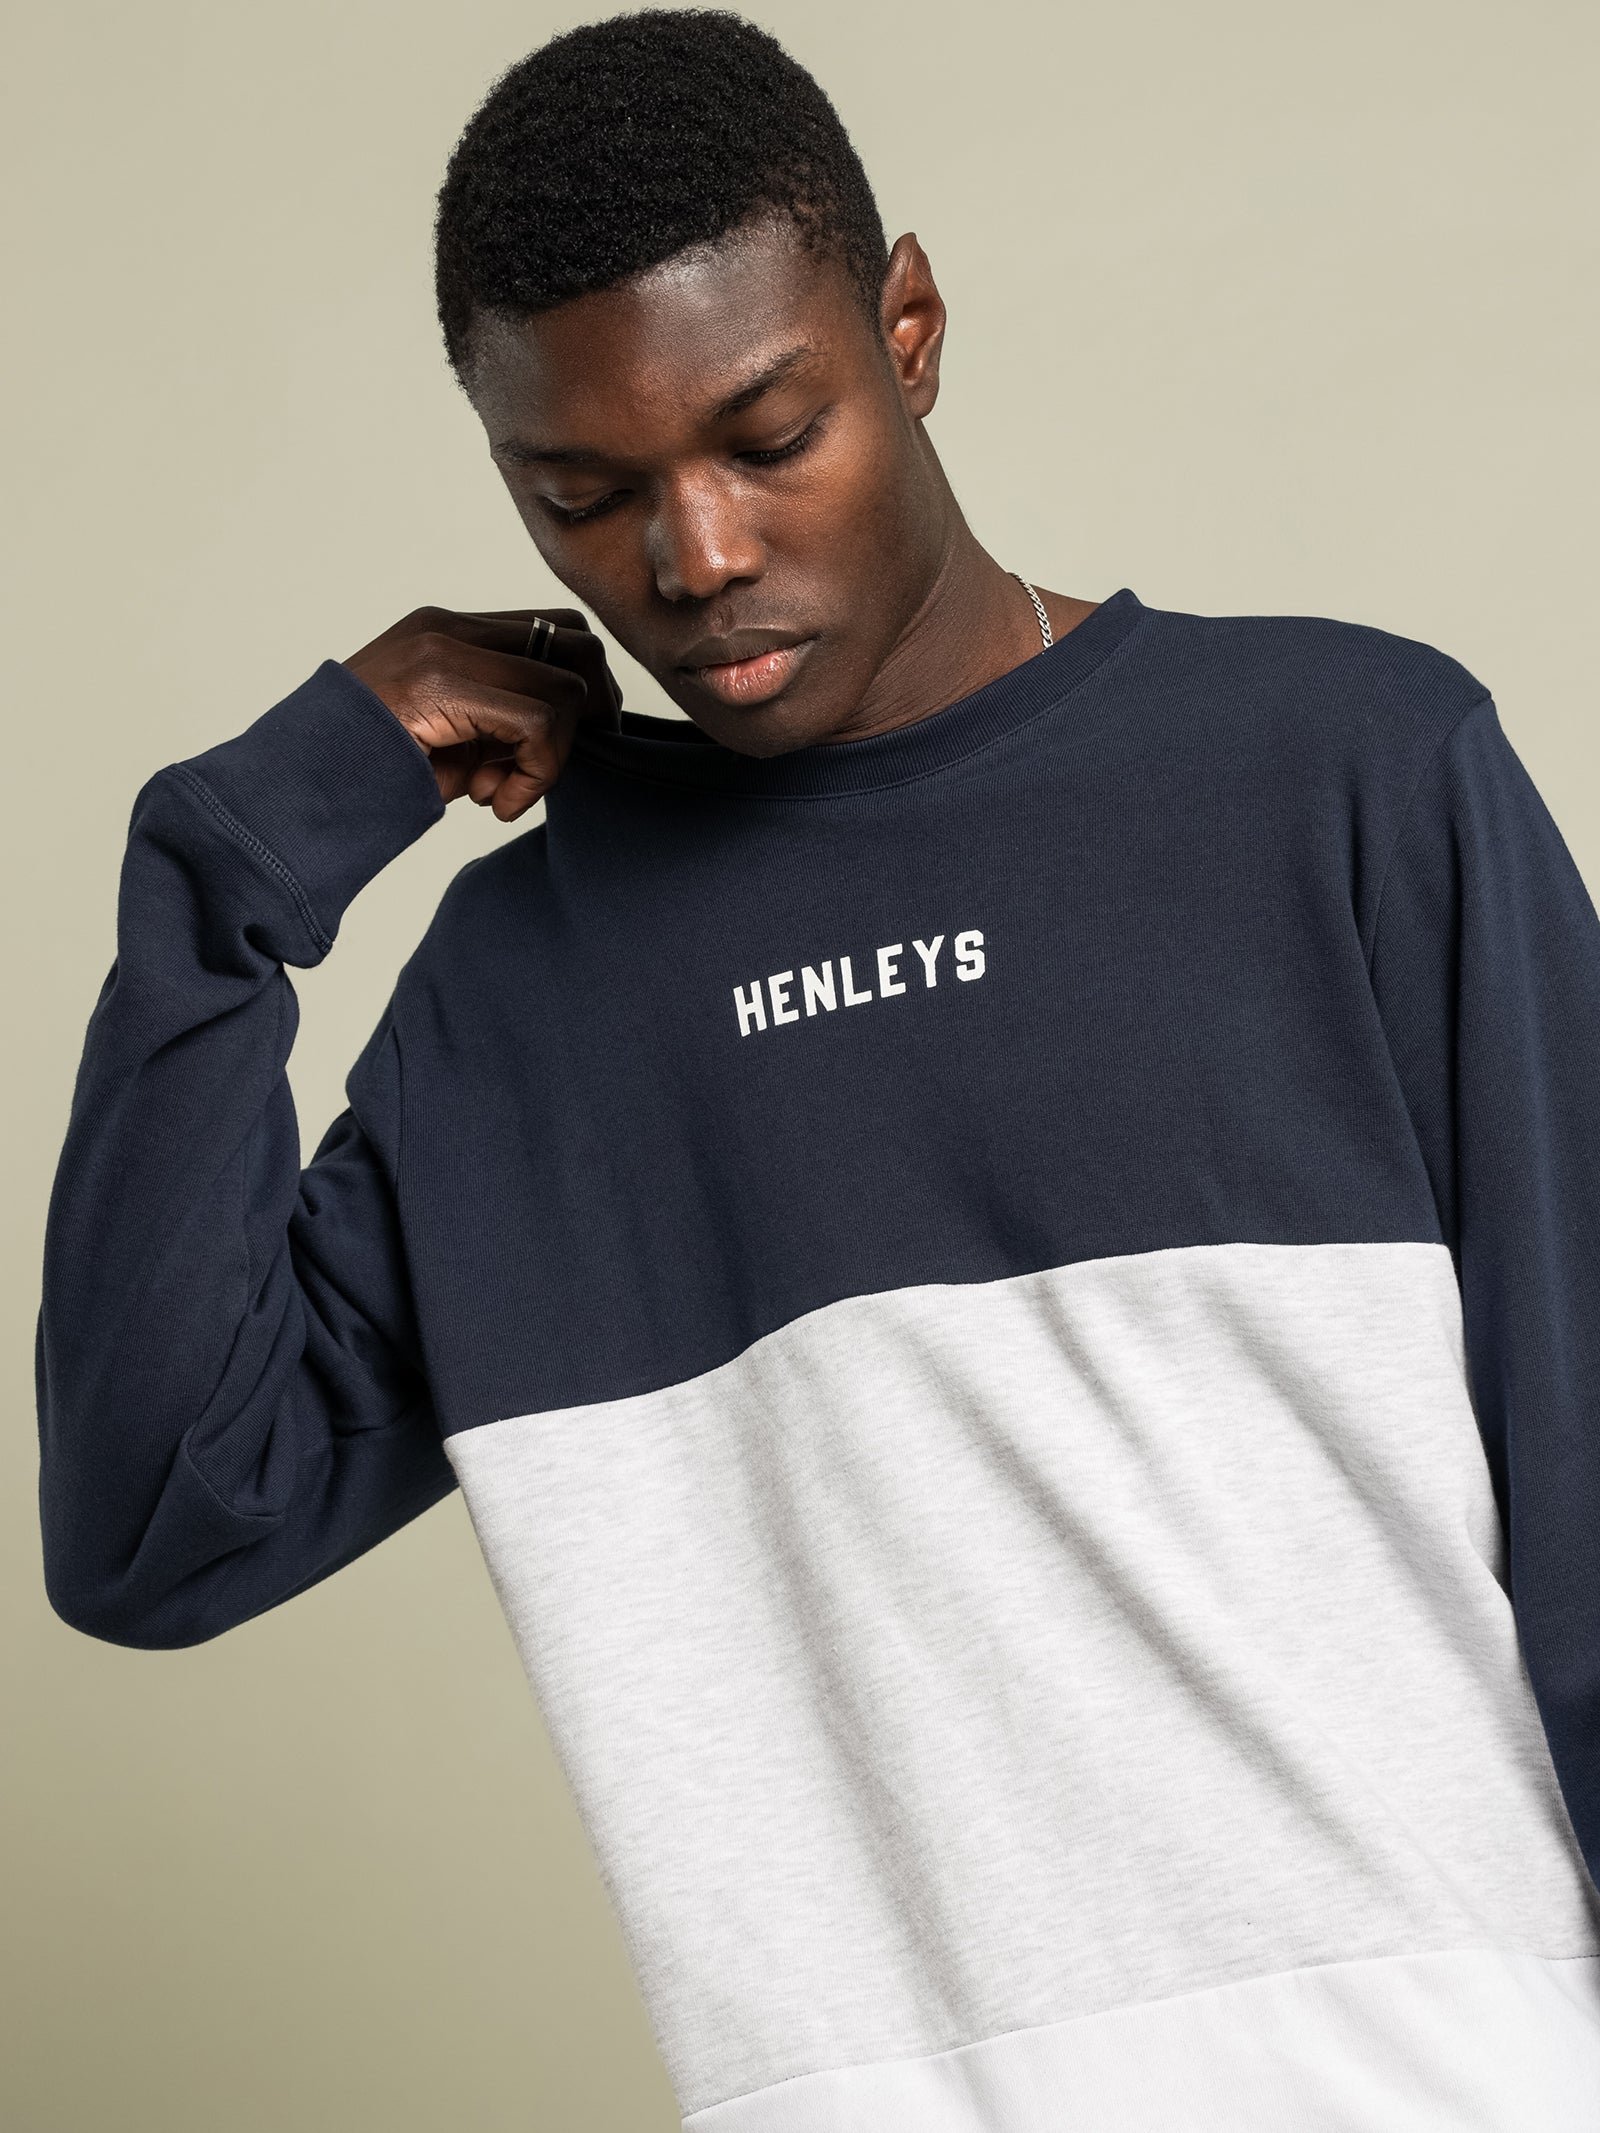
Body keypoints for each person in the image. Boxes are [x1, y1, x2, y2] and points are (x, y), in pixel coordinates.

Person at [35, 9, 1600, 2128]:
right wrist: (241, 856)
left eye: (768, 435)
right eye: (583, 496)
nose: (691, 556)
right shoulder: (524, 1003)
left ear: (909, 330)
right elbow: (156, 1519)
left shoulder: (1343, 775)